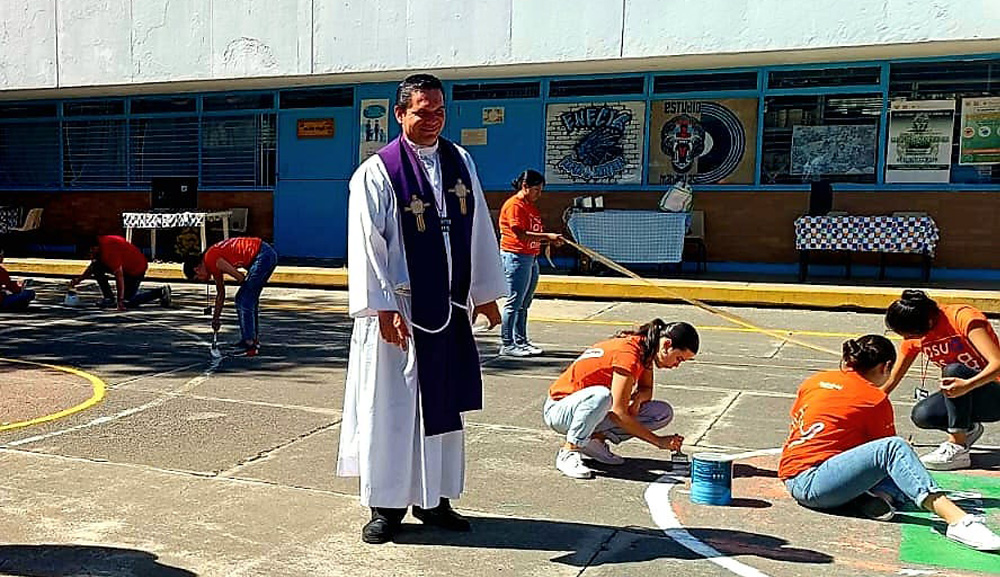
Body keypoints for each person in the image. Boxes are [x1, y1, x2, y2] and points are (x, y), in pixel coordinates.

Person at [336, 73, 506, 544]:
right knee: (391, 410)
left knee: (442, 404)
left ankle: (436, 501)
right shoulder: (376, 172)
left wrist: (486, 290)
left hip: (448, 308)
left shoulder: (460, 161)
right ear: (399, 114)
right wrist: (382, 305)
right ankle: (385, 507)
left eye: (439, 111)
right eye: (421, 111)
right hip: (400, 311)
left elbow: (477, 230)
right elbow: (366, 245)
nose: (432, 120)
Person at [779, 334, 1000, 551]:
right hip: (814, 483)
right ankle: (957, 521)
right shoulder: (874, 398)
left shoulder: (815, 381)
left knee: (899, 463)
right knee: (897, 451)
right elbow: (887, 452)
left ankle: (873, 499)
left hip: (795, 476)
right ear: (886, 367)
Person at [543, 319, 696, 479]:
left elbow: (646, 390)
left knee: (661, 412)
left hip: (589, 408)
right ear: (666, 345)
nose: (677, 365)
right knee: (602, 396)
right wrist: (659, 442)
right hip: (559, 410)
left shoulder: (646, 350)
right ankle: (569, 451)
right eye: (679, 358)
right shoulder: (628, 354)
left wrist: (638, 399)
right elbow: (618, 413)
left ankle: (594, 441)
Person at [882, 289, 1000, 470]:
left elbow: (997, 363)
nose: (907, 339)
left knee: (954, 369)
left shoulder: (963, 318)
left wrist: (968, 385)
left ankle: (958, 447)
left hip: (994, 390)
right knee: (923, 415)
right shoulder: (916, 335)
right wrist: (871, 400)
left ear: (928, 321)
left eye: (911, 334)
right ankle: (967, 429)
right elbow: (892, 379)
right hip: (967, 391)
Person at [497, 169, 563, 357]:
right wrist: (546, 236)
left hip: (531, 257)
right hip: (516, 256)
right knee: (514, 301)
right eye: (536, 190)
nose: (539, 194)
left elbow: (532, 233)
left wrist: (548, 240)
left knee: (525, 302)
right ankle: (507, 343)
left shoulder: (530, 205)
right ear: (525, 186)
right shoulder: (514, 205)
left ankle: (521, 340)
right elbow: (519, 233)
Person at [183, 237, 277, 357]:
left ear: (196, 270)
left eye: (198, 278)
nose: (202, 280)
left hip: (263, 255)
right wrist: (216, 318)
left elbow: (240, 277)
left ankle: (249, 344)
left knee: (244, 300)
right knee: (247, 299)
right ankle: (251, 339)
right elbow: (220, 293)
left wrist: (245, 282)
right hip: (263, 254)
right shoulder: (210, 260)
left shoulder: (211, 258)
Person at [69, 235, 171, 311]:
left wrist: (120, 301)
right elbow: (93, 267)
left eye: (89, 255)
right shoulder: (100, 246)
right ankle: (109, 298)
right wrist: (79, 279)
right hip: (127, 264)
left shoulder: (109, 252)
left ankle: (160, 292)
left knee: (128, 302)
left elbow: (119, 276)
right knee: (96, 266)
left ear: (93, 248)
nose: (90, 258)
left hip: (136, 270)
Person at [0, 247, 35, 311]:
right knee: (29, 293)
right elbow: (12, 288)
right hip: (1, 301)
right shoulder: (1, 271)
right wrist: (20, 285)